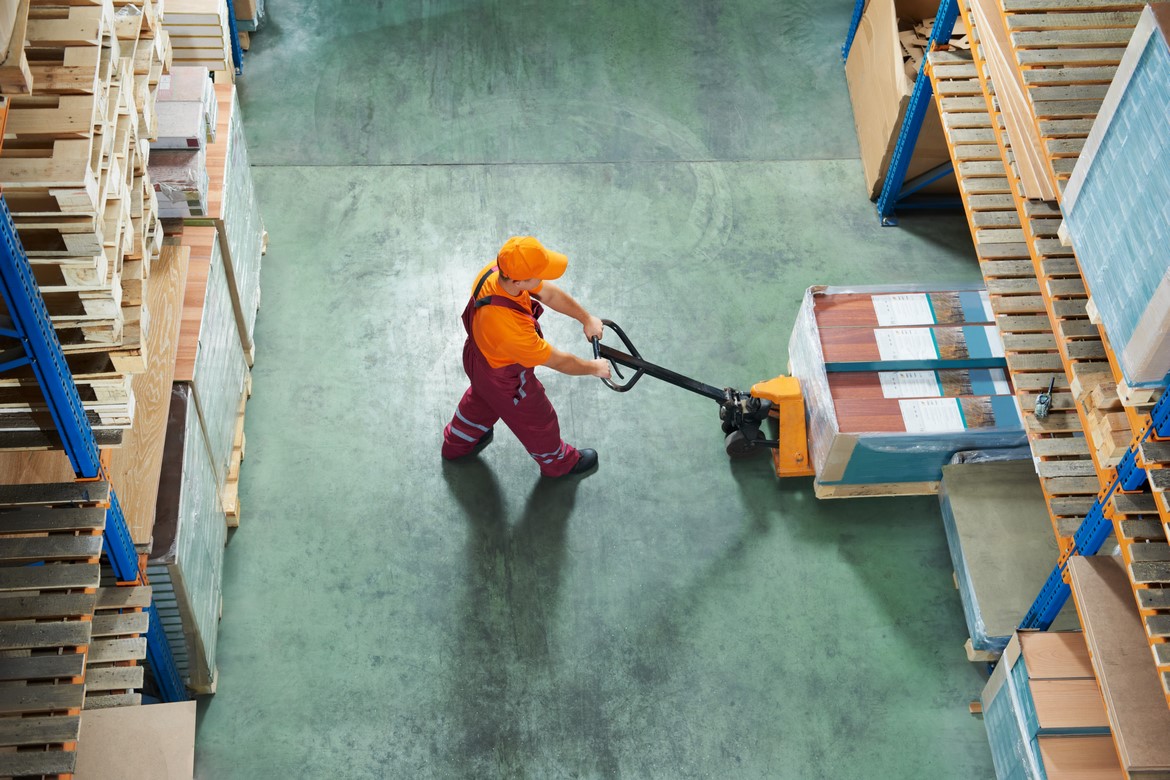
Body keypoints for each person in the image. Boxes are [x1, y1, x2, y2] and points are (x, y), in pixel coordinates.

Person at [441, 236, 611, 477]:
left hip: (478, 359)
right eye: (539, 274)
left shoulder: (495, 271)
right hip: (507, 383)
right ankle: (559, 464)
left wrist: (586, 318)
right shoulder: (511, 331)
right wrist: (594, 368)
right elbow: (559, 361)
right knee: (539, 421)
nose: (543, 279)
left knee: (481, 399)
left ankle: (456, 444)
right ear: (519, 281)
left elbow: (548, 295)